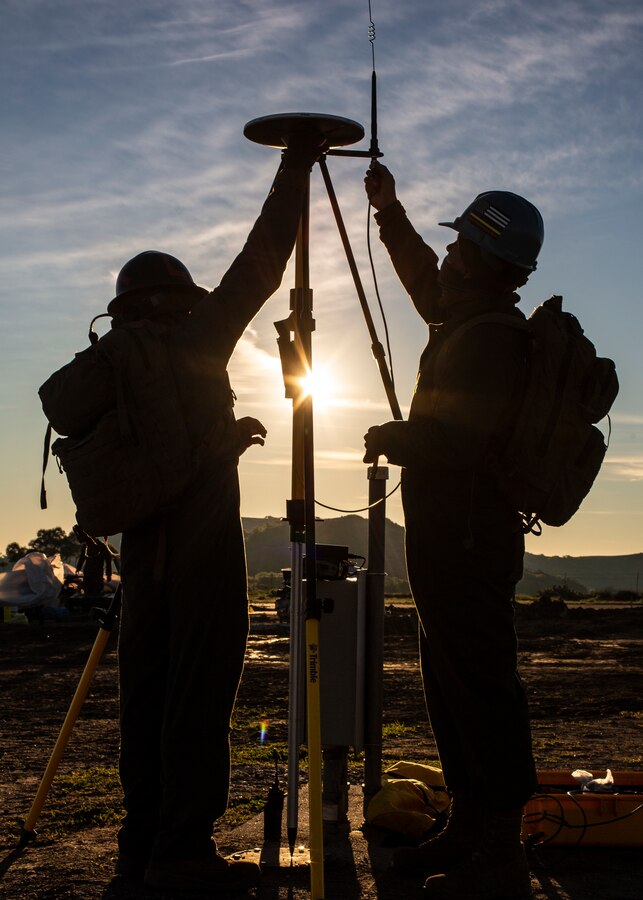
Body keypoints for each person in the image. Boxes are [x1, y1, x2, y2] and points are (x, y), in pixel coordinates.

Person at [41, 136, 321, 895]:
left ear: (124, 308)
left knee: (147, 699)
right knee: (196, 699)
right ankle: (183, 852)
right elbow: (261, 265)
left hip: (142, 559)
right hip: (198, 558)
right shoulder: (199, 339)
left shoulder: (112, 368)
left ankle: (143, 844)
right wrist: (294, 167)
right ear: (182, 301)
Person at [363, 161, 542, 900]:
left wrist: (390, 434)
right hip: (447, 540)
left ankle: (499, 853)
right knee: (451, 686)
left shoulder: (491, 337)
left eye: (458, 244)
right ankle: (470, 827)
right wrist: (388, 213)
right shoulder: (467, 318)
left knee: (481, 688)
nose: (446, 254)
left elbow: (458, 441)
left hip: (469, 544)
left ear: (483, 258)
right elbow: (420, 284)